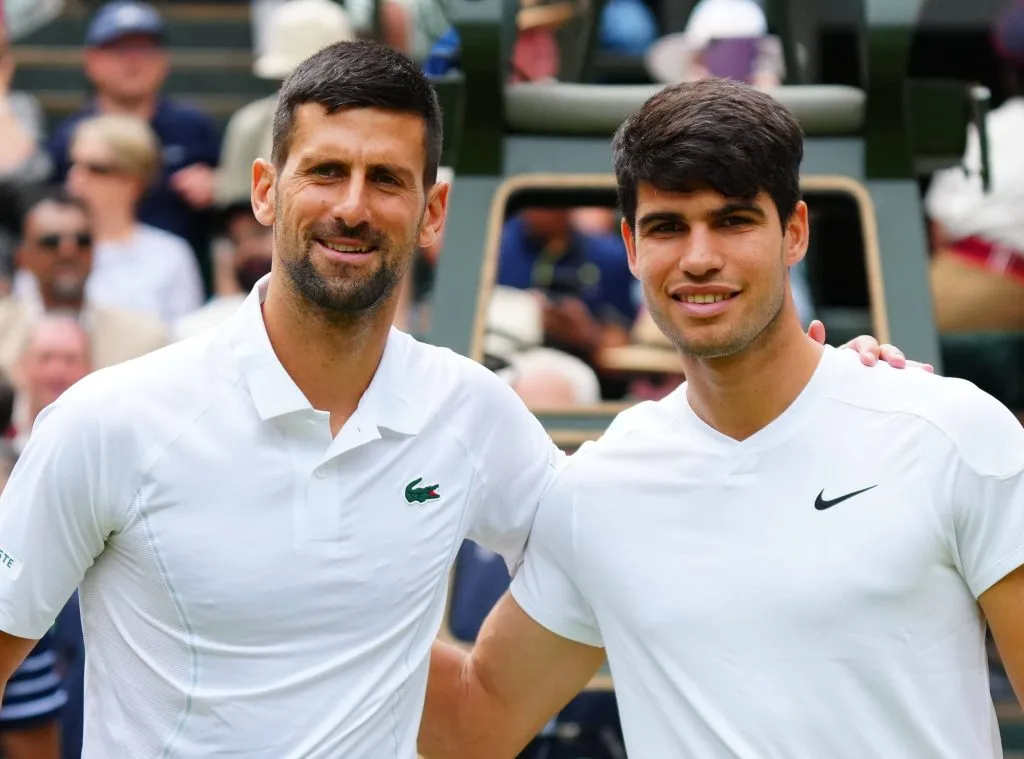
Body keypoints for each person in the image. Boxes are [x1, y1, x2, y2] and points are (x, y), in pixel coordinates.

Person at [0, 43, 904, 758]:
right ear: (268, 190)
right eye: (325, 172)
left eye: (387, 180)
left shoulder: (470, 413)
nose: (352, 206)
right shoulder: (108, 421)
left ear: (432, 212)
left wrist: (821, 390)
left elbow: (641, 518)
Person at [419, 78, 1023, 759]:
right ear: (631, 246)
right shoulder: (599, 489)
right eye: (668, 226)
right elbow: (473, 722)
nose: (700, 256)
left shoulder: (954, 433)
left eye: (732, 220)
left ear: (793, 231)